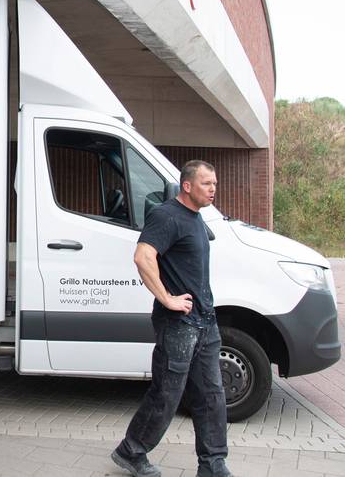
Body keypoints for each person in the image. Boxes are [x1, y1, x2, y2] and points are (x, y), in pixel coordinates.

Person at [111, 160, 229, 477]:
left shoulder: (196, 218)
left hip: (205, 322)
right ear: (187, 186)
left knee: (212, 396)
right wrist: (166, 298)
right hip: (178, 325)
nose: (213, 189)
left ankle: (213, 463)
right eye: (206, 183)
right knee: (167, 394)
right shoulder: (167, 216)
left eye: (214, 184)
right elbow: (143, 256)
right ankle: (131, 451)